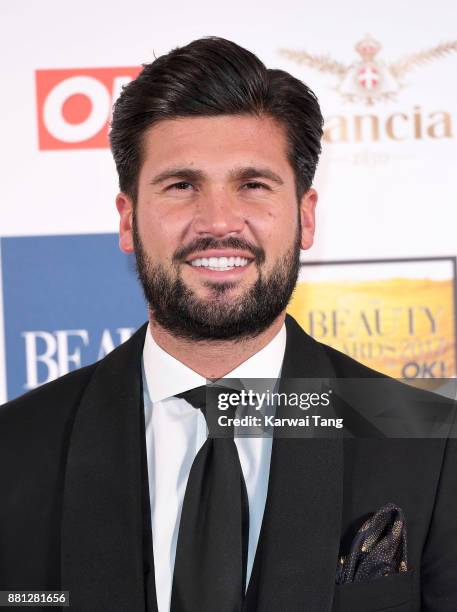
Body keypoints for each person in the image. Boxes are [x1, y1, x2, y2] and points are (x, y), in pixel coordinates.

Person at [0, 37, 456, 612]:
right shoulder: (14, 450)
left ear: (305, 216)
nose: (218, 222)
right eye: (182, 185)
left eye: (253, 185)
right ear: (127, 219)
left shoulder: (430, 446)